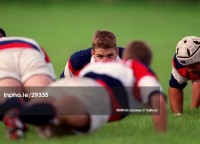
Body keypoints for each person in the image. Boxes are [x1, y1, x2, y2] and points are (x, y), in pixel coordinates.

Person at [3, 40, 167, 140]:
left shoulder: (103, 63)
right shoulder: (139, 68)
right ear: (146, 62)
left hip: (72, 82)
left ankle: (15, 113)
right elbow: (157, 100)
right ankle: (20, 117)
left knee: (47, 116)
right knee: (62, 112)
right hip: (97, 92)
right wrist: (161, 137)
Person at [0, 28, 56, 121]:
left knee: (8, 97)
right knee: (43, 96)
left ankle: (13, 113)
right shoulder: (27, 40)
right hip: (29, 46)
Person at [60, 30, 124, 78]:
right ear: (92, 53)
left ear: (117, 51)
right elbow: (63, 88)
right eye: (100, 56)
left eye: (110, 55)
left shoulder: (129, 59)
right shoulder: (76, 62)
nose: (105, 61)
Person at [169, 36, 200, 115]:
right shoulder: (179, 63)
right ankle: (193, 112)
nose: (190, 70)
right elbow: (175, 87)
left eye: (193, 66)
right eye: (187, 66)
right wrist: (177, 116)